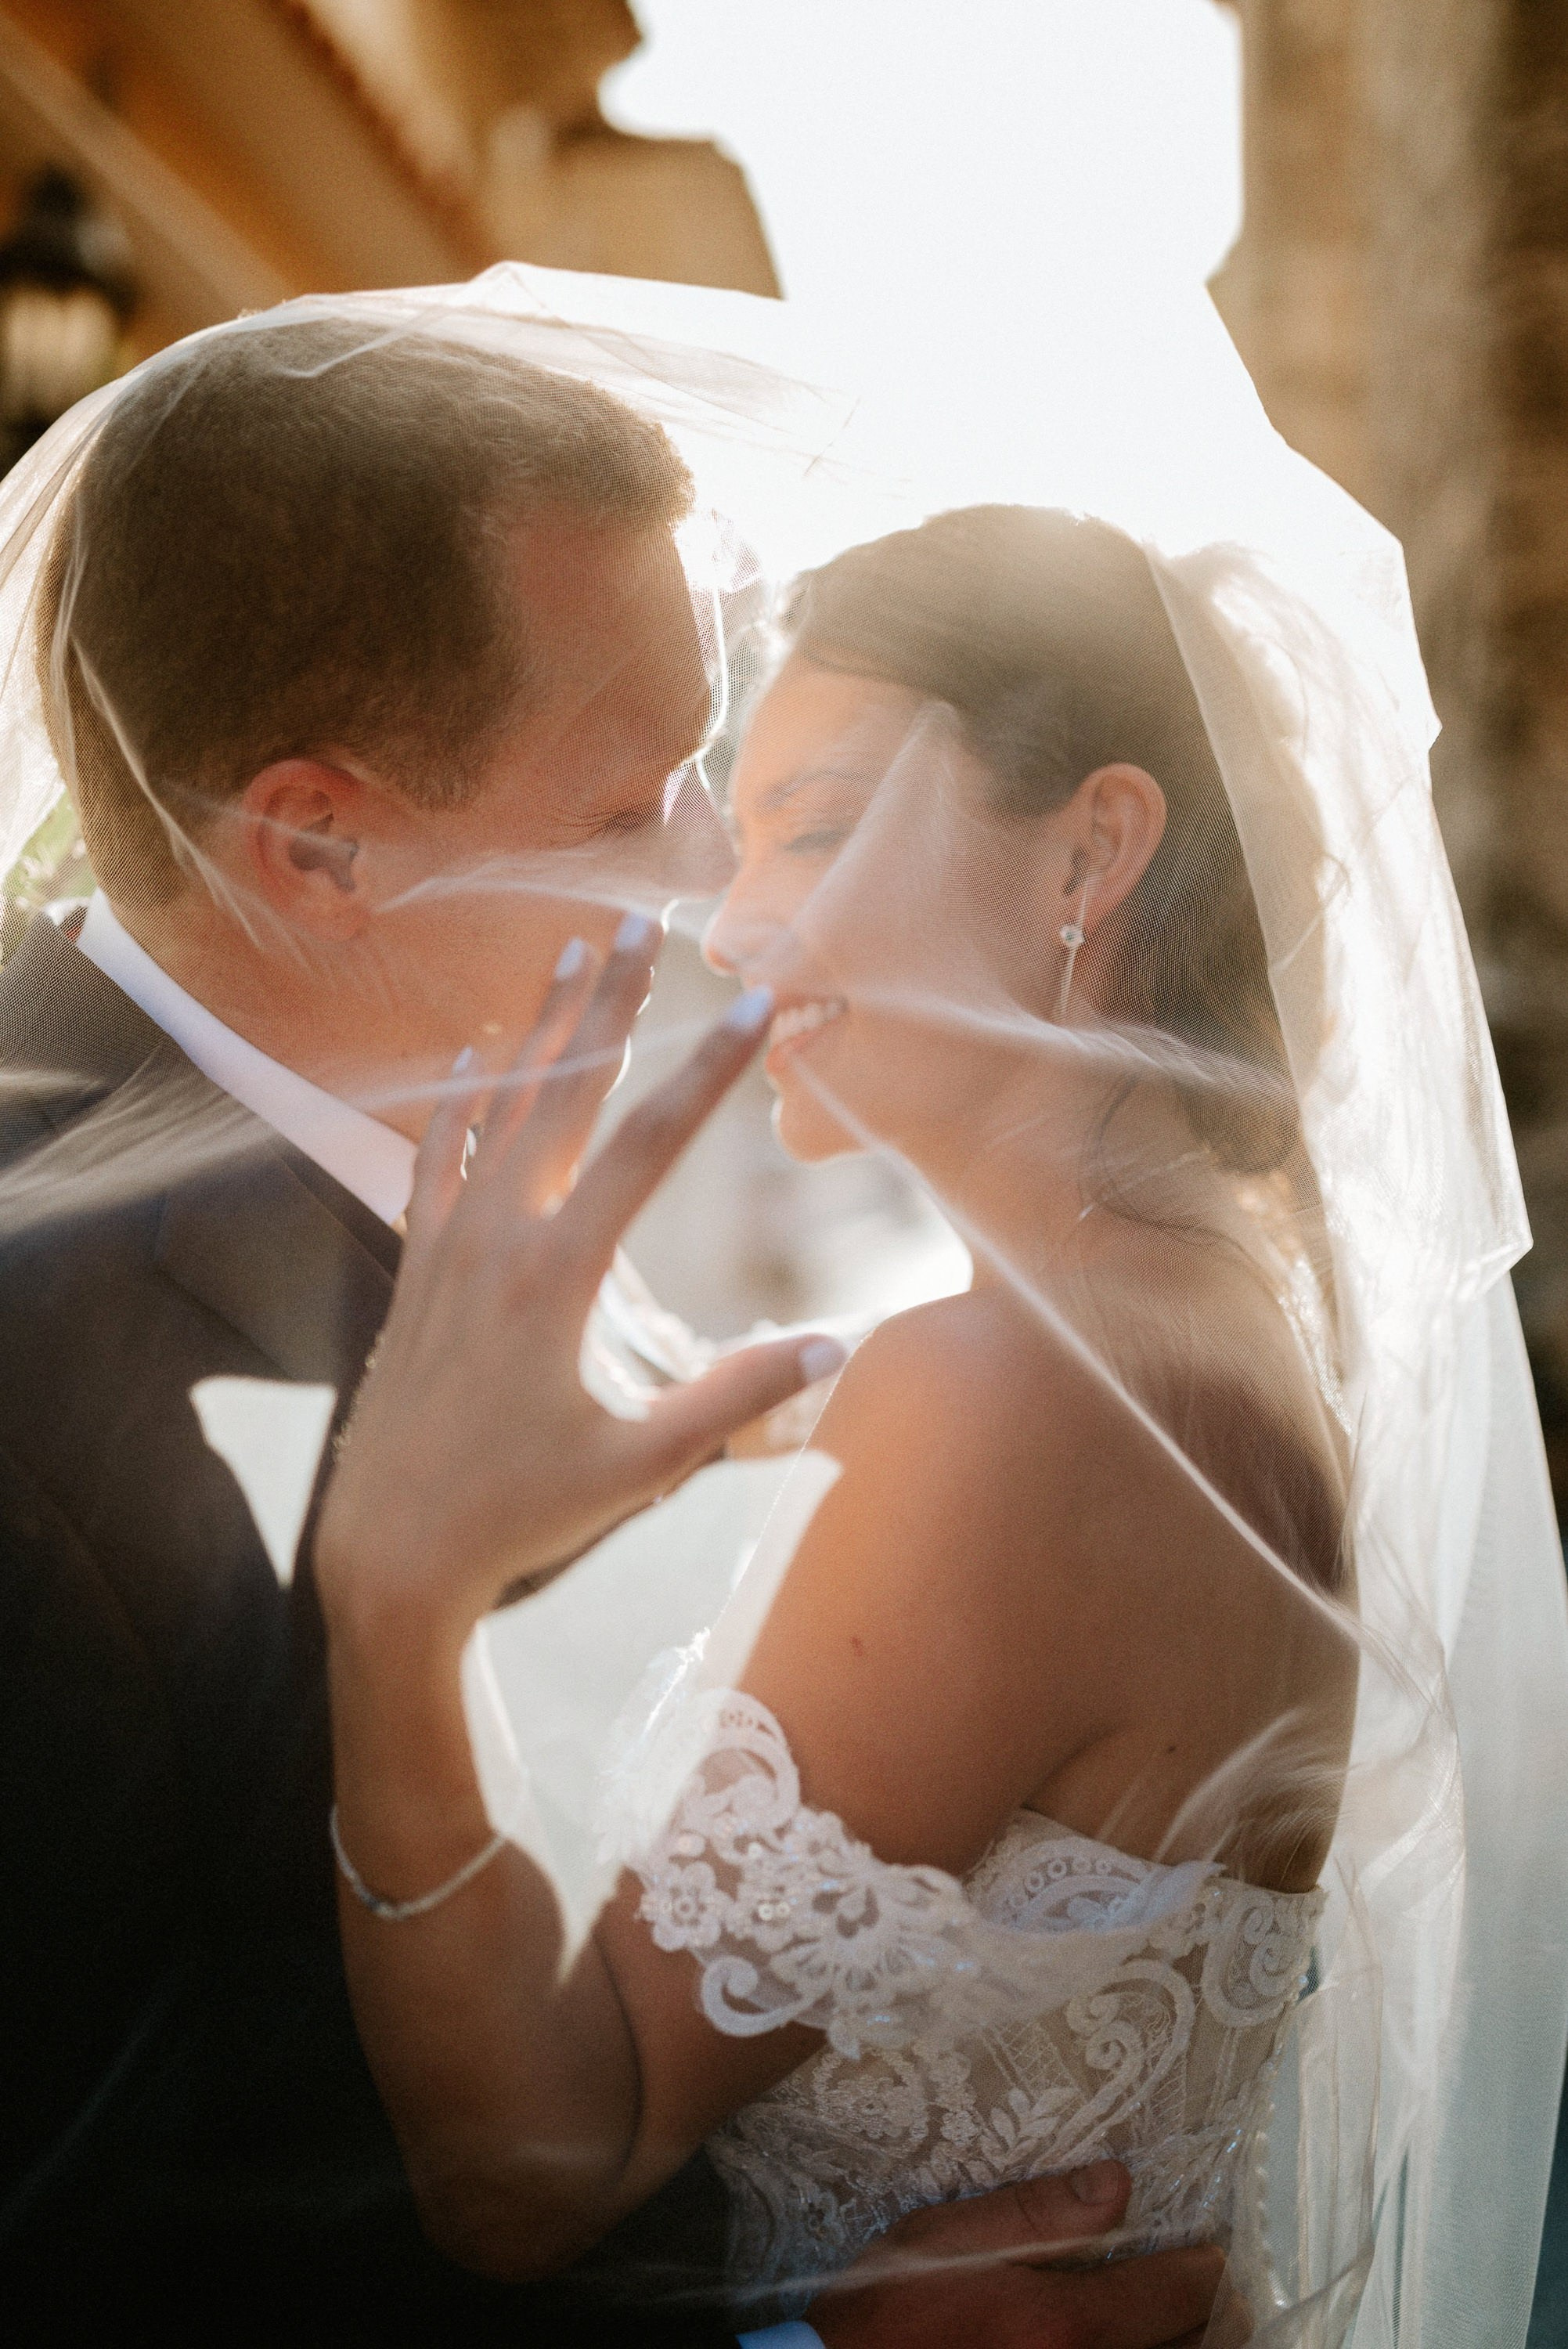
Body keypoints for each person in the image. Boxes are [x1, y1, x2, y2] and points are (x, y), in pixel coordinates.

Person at [0, 311, 1237, 2349]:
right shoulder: (40, 1399)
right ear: (317, 843)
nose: (700, 874)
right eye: (629, 797)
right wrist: (798, 2333)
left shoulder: (456, 1129)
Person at [312, 505, 1357, 2330]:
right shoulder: (1231, 1331)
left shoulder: (1007, 1392)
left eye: (811, 822)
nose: (732, 916)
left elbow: (530, 2171)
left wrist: (394, 1597)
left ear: (1092, 851)